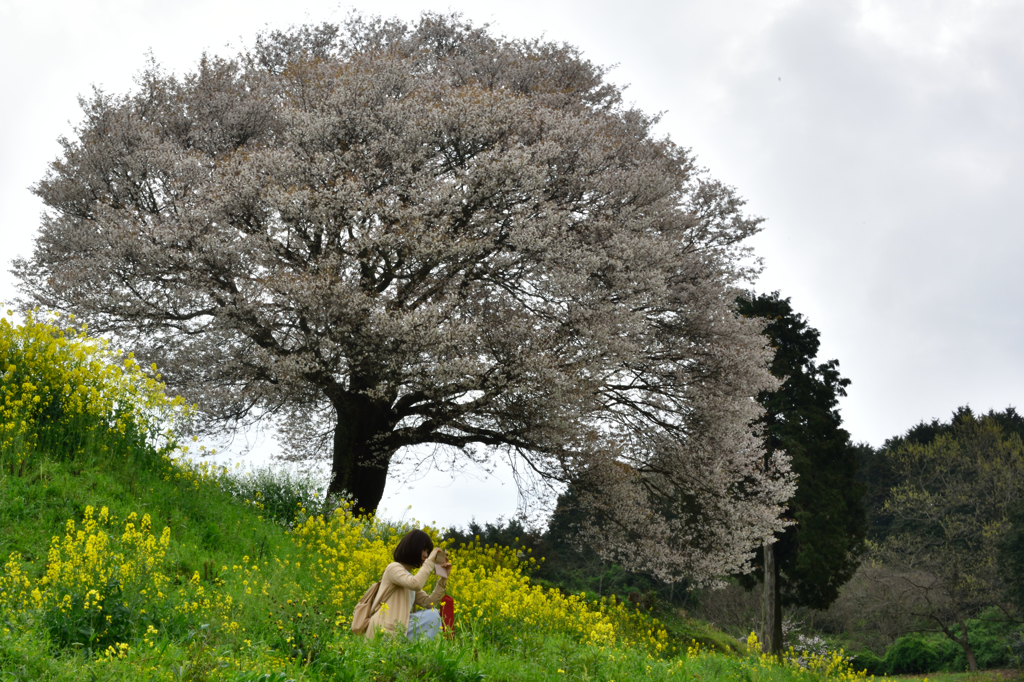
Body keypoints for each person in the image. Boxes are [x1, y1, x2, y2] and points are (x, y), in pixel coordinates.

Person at [365, 529, 455, 640]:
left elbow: (429, 603)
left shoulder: (408, 577)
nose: (426, 555)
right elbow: (415, 584)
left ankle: (426, 655)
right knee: (433, 616)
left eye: (428, 552)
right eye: (423, 550)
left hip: (397, 628)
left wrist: (443, 578)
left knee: (433, 614)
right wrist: (431, 561)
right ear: (413, 547)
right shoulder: (393, 568)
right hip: (383, 629)